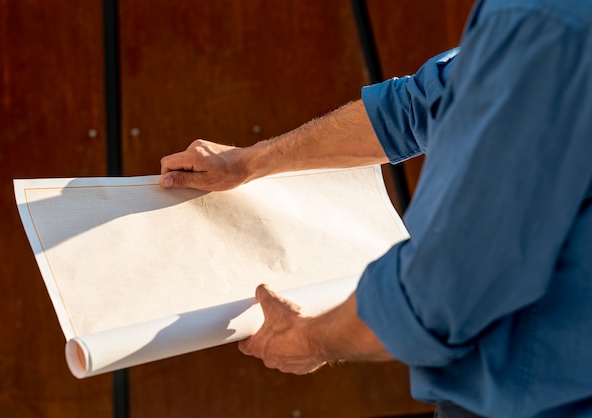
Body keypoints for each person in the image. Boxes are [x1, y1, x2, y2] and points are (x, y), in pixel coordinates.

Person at [159, 0, 592, 416]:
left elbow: (443, 286)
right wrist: (247, 162)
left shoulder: (546, 20)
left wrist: (312, 338)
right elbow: (422, 104)